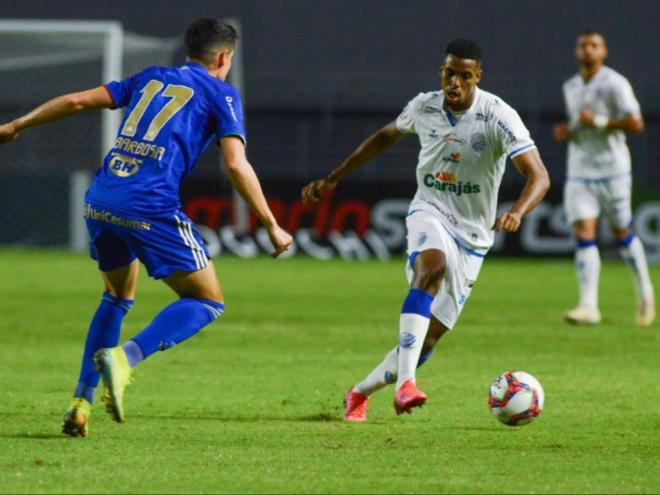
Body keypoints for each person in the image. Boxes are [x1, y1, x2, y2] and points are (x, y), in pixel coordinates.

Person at [0, 19, 292, 437]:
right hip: (150, 206)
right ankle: (125, 358)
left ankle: (81, 403)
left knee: (117, 296)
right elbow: (235, 163)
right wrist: (271, 223)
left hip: (102, 198)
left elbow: (78, 101)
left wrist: (16, 126)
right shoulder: (222, 93)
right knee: (207, 301)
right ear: (224, 57)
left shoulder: (150, 77)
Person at [302, 39, 550, 421]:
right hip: (430, 210)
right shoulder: (424, 106)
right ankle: (406, 384)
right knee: (431, 267)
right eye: (449, 73)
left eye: (464, 76)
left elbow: (539, 176)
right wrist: (334, 178)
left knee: (428, 338)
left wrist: (517, 211)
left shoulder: (498, 116)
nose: (455, 82)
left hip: (473, 237)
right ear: (441, 71)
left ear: (478, 77)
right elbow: (385, 136)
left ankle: (359, 392)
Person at [553, 30, 654, 327]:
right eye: (583, 45)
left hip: (613, 170)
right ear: (576, 51)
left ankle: (645, 293)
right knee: (584, 232)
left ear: (604, 51)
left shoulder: (615, 83)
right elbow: (579, 123)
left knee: (622, 232)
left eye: (594, 45)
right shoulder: (570, 86)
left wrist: (599, 121)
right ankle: (588, 306)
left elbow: (636, 123)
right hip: (580, 170)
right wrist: (568, 131)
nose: (588, 50)